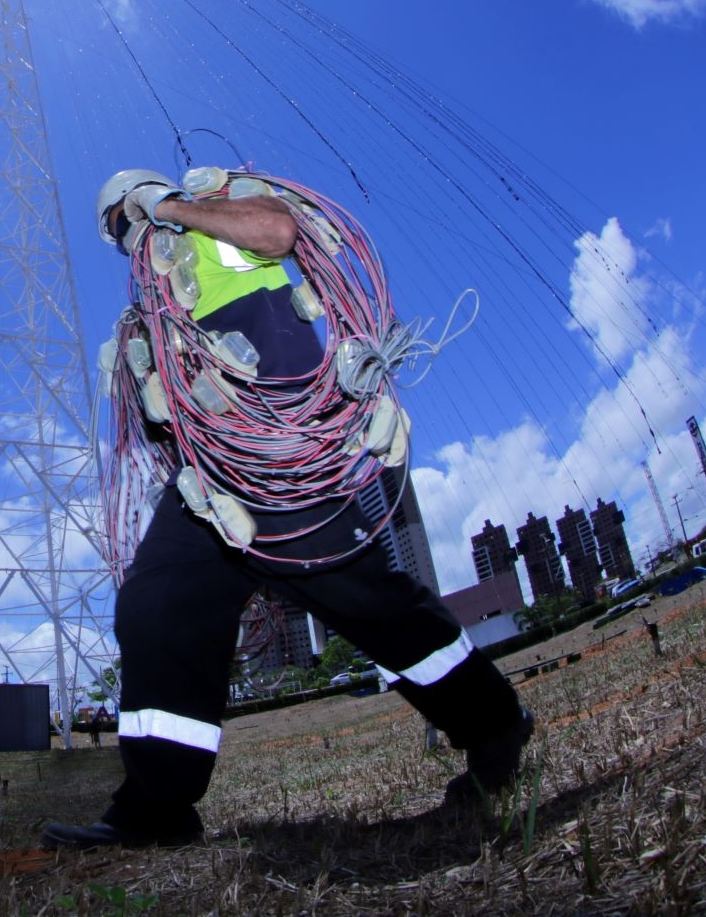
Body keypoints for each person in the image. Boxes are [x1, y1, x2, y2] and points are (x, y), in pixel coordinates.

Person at [41, 169, 533, 851]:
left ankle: (493, 724)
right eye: (114, 233)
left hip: (276, 445)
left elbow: (276, 230)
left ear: (141, 197)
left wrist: (173, 208)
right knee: (156, 606)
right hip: (211, 473)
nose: (123, 239)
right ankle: (154, 812)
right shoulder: (155, 299)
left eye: (122, 220)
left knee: (363, 599)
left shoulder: (211, 216)